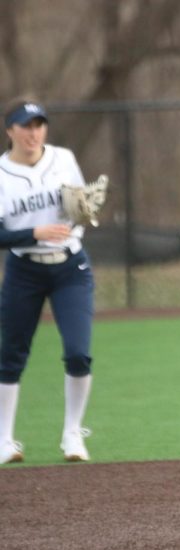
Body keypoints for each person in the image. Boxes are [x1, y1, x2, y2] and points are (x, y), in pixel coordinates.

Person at [0, 97, 96, 464]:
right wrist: (34, 232)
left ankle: (73, 433)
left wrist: (86, 209)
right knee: (11, 355)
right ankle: (5, 439)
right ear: (10, 130)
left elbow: (79, 208)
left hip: (70, 268)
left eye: (39, 124)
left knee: (78, 352)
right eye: (25, 125)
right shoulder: (2, 174)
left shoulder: (63, 160)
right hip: (25, 271)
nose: (33, 132)